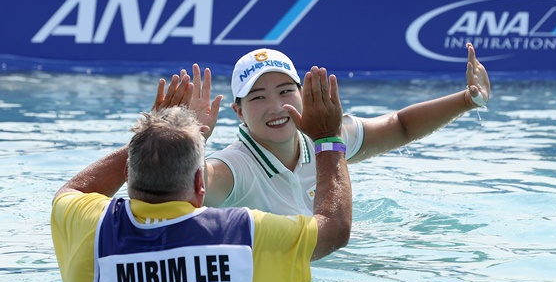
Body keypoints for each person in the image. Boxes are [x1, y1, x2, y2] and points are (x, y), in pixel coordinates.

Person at [50, 68, 351, 282]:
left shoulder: (92, 224)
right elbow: (334, 229)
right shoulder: (242, 233)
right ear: (200, 184)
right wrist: (328, 138)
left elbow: (73, 189)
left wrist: (156, 132)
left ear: (129, 172)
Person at [177, 43, 490, 216]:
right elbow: (186, 189)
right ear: (239, 112)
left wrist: (467, 99)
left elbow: (400, 126)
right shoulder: (235, 168)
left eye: (286, 91)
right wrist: (190, 138)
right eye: (258, 97)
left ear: (303, 94)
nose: (276, 106)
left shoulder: (325, 135)